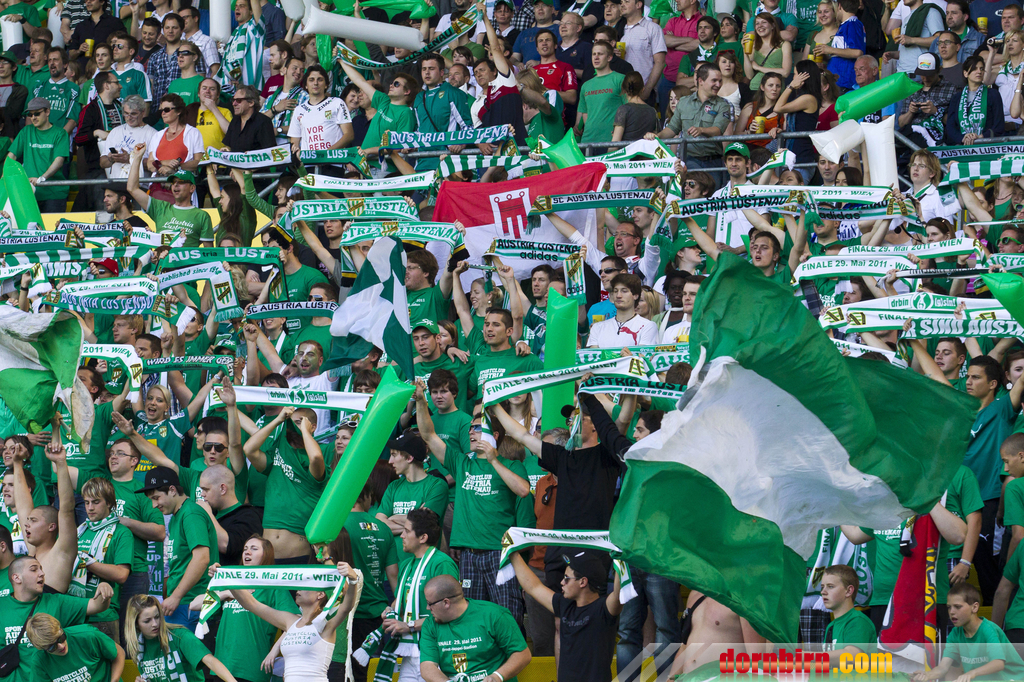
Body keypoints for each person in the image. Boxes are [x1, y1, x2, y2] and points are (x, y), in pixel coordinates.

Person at [417, 386, 532, 625]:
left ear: (495, 435)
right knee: (471, 621)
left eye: (478, 428)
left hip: (501, 555)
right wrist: (420, 401)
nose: (471, 432)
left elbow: (522, 490)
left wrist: (493, 460)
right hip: (469, 556)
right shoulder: (461, 463)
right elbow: (429, 435)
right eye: (470, 428)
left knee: (507, 620)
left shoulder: (512, 466)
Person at [229, 562, 360, 682]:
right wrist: (227, 579)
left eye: (305, 586)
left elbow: (346, 608)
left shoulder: (325, 625)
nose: (298, 589)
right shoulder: (289, 621)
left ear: (320, 594)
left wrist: (353, 580)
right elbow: (251, 604)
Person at [0, 555, 114, 682]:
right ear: (16, 578)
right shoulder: (2, 607)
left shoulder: (56, 602)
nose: (42, 573)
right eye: (34, 569)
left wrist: (104, 588)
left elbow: (96, 605)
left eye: (41, 569)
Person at [140, 465, 220, 631]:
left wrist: (176, 596)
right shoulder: (178, 515)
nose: (154, 505)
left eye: (156, 498)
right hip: (182, 604)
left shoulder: (191, 514)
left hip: (192, 604)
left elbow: (202, 558)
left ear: (172, 490)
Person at [419, 574, 532, 682]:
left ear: (446, 603)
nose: (428, 608)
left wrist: (497, 676)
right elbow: (427, 665)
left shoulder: (493, 615)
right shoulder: (430, 624)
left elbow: (522, 654)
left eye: (430, 603)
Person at [912, 584, 1024, 681]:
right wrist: (927, 675)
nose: (951, 612)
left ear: (974, 607)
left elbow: (998, 663)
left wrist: (971, 673)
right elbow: (943, 668)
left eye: (957, 607)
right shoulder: (955, 633)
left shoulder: (988, 629)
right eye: (949, 607)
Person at [72, 476, 133, 641]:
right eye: (86, 502)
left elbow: (122, 574)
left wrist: (87, 562)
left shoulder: (122, 532)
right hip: (75, 613)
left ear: (109, 503)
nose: (90, 508)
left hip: (103, 616)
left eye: (96, 502)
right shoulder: (79, 530)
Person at [126, 594, 240, 682]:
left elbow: (210, 661)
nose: (155, 624)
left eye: (157, 617)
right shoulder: (139, 646)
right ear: (136, 625)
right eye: (147, 621)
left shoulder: (179, 635)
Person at [647, 62, 731, 178]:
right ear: (701, 81)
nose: (718, 84)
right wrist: (657, 136)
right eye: (714, 80)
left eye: (720, 81)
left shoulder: (723, 105)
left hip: (712, 161)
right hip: (689, 160)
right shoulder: (684, 102)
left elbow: (718, 130)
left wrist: (701, 130)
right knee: (690, 189)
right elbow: (673, 128)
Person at [127, 145, 213, 248]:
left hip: (186, 259)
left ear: (192, 188)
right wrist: (137, 157)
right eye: (173, 182)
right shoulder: (160, 208)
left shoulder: (202, 216)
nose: (176, 185)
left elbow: (209, 252)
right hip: (162, 258)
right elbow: (132, 189)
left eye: (181, 182)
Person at [8, 97, 69, 211]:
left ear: (47, 112)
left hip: (54, 194)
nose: (33, 118)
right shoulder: (26, 131)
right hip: (29, 193)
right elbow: (11, 156)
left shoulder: (60, 133)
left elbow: (59, 160)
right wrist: (4, 179)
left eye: (37, 113)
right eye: (30, 115)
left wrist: (41, 178)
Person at [24, 613, 126, 682]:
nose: (61, 646)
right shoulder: (39, 660)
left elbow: (119, 653)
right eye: (52, 647)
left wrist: (114, 680)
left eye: (61, 638)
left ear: (60, 628)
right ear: (42, 649)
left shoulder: (87, 635)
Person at [287, 66, 353, 155]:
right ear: (306, 85)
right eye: (311, 80)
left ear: (326, 85)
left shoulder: (337, 103)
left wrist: (325, 154)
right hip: (309, 161)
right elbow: (294, 142)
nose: (315, 83)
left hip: (333, 160)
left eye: (320, 80)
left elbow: (349, 135)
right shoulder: (299, 109)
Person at [898, 53, 959, 148]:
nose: (925, 78)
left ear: (939, 70)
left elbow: (956, 123)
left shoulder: (952, 89)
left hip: (936, 136)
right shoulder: (913, 89)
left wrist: (936, 111)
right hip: (911, 135)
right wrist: (911, 112)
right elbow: (901, 124)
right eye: (922, 74)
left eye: (929, 74)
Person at [945, 54, 1006, 145]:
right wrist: (963, 138)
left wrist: (980, 137)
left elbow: (999, 126)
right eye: (974, 69)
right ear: (965, 73)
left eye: (981, 69)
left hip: (986, 146)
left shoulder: (993, 94)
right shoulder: (956, 98)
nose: (979, 72)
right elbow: (950, 128)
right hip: (962, 147)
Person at [578, 40, 626, 150]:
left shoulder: (620, 79)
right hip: (588, 141)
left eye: (600, 54)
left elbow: (629, 108)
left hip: (612, 141)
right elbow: (585, 113)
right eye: (594, 54)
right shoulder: (586, 85)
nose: (596, 57)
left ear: (609, 57)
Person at [820, 565, 876, 656]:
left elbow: (851, 655)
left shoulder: (858, 621)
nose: (823, 592)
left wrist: (810, 657)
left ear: (849, 591)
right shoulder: (831, 626)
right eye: (822, 587)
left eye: (830, 586)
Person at [620, 0, 666, 106]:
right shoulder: (619, 31)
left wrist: (647, 90)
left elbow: (660, 62)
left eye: (626, 1)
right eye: (621, 2)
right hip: (622, 93)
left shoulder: (653, 28)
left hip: (643, 92)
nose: (622, 5)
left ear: (638, 4)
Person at [100, 95, 154, 179]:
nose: (129, 117)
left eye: (133, 114)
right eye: (126, 113)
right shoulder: (115, 131)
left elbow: (154, 165)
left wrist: (130, 159)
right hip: (116, 182)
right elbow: (102, 163)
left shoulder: (153, 134)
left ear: (143, 112)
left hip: (140, 183)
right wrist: (111, 159)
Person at [145, 14, 192, 104]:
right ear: (163, 30)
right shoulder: (154, 56)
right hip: (158, 107)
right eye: (167, 28)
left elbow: (198, 81)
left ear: (182, 30)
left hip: (183, 106)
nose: (170, 31)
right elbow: (150, 87)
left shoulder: (190, 53)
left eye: (174, 28)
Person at [222, 0, 265, 91]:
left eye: (242, 6)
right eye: (236, 6)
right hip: (232, 89)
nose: (237, 8)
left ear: (251, 11)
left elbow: (257, 9)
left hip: (250, 89)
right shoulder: (234, 34)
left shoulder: (254, 29)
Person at [744, 12, 792, 91]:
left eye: (764, 22)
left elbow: (785, 73)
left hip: (774, 90)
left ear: (773, 25)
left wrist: (759, 68)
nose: (760, 26)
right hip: (755, 88)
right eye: (757, 23)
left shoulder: (784, 45)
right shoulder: (753, 46)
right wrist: (745, 52)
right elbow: (749, 76)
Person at [37, 48, 80, 136]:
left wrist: (58, 138)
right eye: (49, 60)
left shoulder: (74, 89)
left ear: (65, 64)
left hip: (61, 138)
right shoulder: (38, 88)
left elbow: (73, 120)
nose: (52, 63)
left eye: (55, 60)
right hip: (38, 138)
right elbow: (29, 116)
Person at [222, 84, 276, 153]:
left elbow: (270, 152)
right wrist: (227, 149)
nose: (234, 104)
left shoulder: (263, 121)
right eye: (233, 100)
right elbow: (229, 145)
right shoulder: (235, 120)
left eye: (238, 100)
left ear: (251, 103)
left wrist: (253, 154)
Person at [167, 41, 203, 105]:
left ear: (194, 57)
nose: (180, 56)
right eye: (179, 53)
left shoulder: (202, 82)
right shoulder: (173, 84)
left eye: (185, 53)